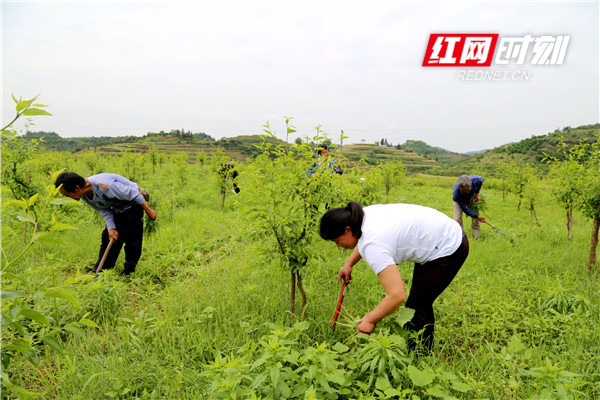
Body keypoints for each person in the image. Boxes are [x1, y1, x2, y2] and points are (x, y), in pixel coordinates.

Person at [320, 201, 469, 353]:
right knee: (420, 299)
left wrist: (370, 320)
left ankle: (419, 355)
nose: (338, 246)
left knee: (416, 304)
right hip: (435, 235)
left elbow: (397, 295)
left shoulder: (373, 245)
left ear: (347, 229)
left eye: (337, 241)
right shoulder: (360, 217)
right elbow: (364, 238)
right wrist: (349, 263)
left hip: (448, 246)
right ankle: (422, 348)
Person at [54, 172, 157, 276]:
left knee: (132, 239)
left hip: (133, 205)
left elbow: (134, 194)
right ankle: (102, 272)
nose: (67, 197)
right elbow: (103, 210)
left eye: (67, 194)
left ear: (76, 188)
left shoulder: (106, 185)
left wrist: (148, 209)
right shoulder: (84, 194)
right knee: (109, 238)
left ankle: (129, 272)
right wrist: (111, 228)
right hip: (116, 209)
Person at [452, 174, 486, 240]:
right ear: (459, 188)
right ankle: (462, 239)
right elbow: (465, 209)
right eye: (463, 190)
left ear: (470, 185)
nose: (466, 192)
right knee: (457, 220)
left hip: (471, 198)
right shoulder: (456, 193)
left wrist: (477, 194)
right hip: (459, 202)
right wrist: (477, 216)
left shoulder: (476, 180)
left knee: (475, 220)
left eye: (467, 190)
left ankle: (476, 239)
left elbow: (480, 182)